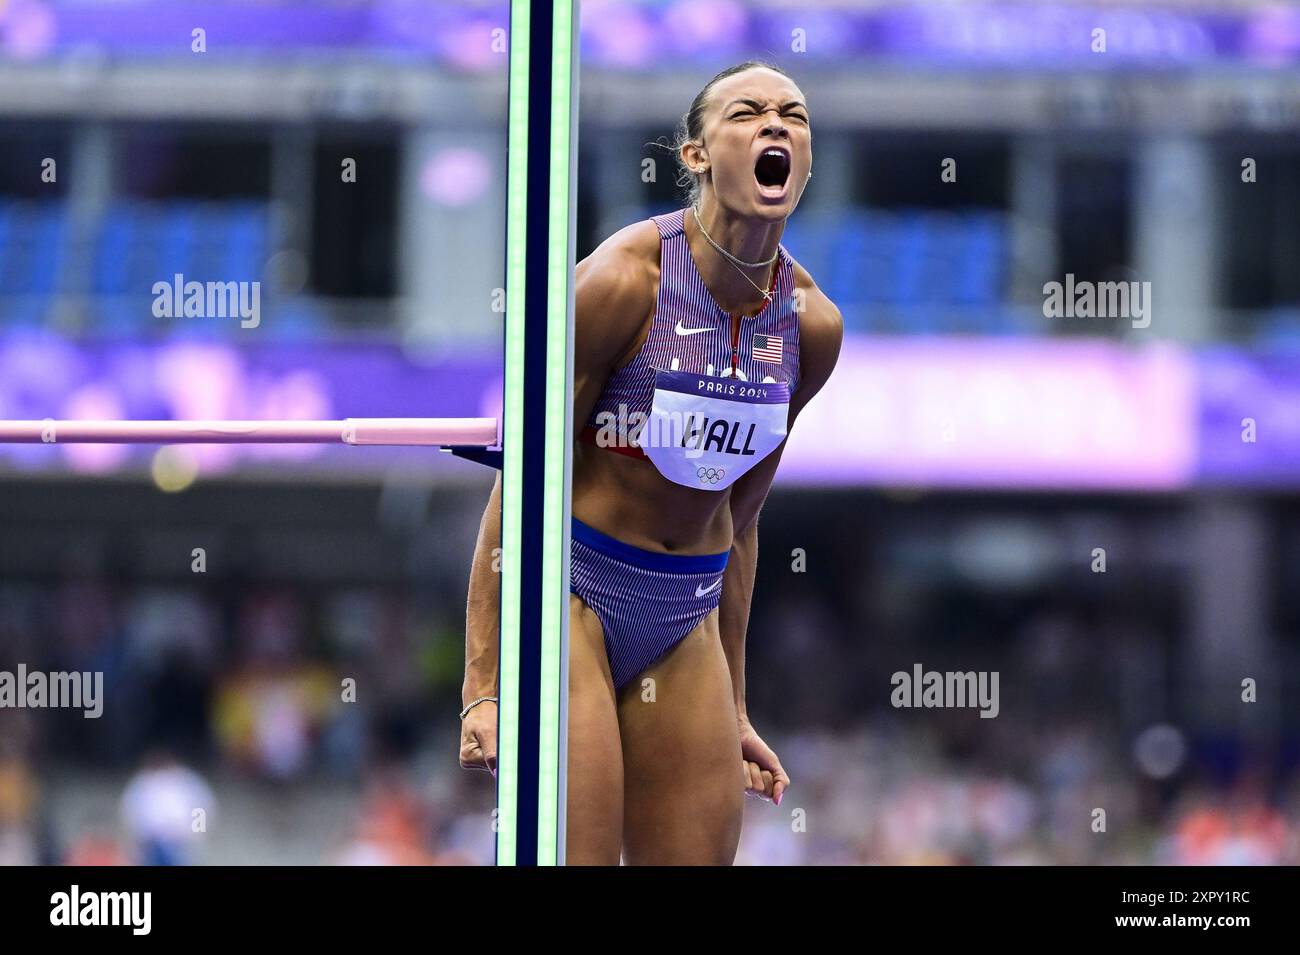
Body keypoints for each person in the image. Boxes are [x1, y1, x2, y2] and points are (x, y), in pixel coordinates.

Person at [461, 60, 842, 865]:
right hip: (575, 594)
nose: (776, 126)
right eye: (749, 113)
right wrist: (484, 684)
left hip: (685, 613)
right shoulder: (621, 281)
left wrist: (736, 703)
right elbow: (521, 480)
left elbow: (740, 520)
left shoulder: (812, 328)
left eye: (794, 115)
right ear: (697, 154)